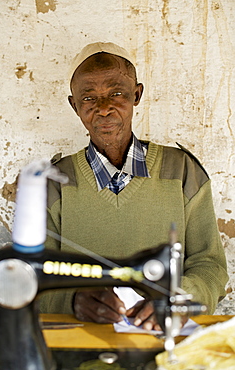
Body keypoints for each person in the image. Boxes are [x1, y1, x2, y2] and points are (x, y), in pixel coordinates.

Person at [40, 42, 228, 331]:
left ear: (136, 95)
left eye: (116, 93)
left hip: (161, 339)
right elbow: (35, 275)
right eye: (89, 98)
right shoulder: (55, 182)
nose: (103, 109)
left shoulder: (182, 171)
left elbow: (210, 266)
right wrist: (72, 299)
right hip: (79, 343)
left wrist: (178, 299)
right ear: (74, 105)